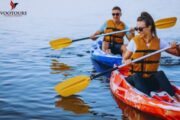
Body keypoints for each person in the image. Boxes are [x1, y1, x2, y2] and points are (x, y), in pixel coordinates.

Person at [123, 11, 180, 99]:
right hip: (134, 80)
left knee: (159, 74)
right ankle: (147, 98)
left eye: (140, 29)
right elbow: (124, 58)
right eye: (136, 28)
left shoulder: (159, 42)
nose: (138, 31)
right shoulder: (134, 41)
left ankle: (174, 98)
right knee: (137, 76)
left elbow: (178, 54)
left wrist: (176, 47)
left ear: (149, 27)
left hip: (149, 80)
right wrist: (127, 61)